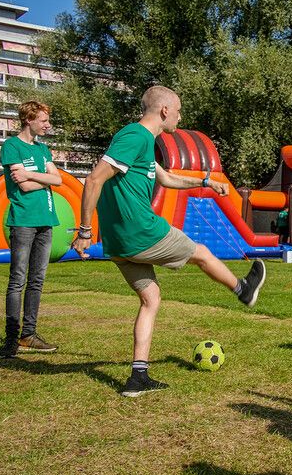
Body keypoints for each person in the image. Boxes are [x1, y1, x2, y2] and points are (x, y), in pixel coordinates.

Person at [72, 85, 267, 397]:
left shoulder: (144, 144)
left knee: (151, 299)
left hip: (120, 243)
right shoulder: (134, 136)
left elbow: (166, 178)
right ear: (164, 111)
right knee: (201, 252)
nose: (179, 116)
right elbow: (94, 179)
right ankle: (243, 290)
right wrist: (83, 231)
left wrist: (205, 181)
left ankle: (138, 377)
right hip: (141, 231)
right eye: (177, 110)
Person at [0, 101, 63, 359]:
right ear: (28, 120)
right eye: (43, 120)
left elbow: (58, 179)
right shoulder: (11, 146)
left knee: (37, 280)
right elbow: (21, 187)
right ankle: (12, 338)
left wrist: (31, 175)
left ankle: (29, 334)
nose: (48, 125)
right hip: (23, 221)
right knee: (18, 280)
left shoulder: (43, 149)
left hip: (46, 221)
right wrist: (43, 179)